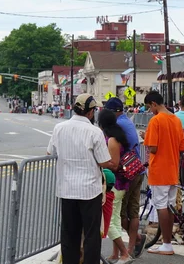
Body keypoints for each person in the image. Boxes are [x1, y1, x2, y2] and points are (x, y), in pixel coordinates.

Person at [47, 94, 118, 264]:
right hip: (89, 191)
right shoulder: (95, 132)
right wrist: (114, 165)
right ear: (91, 112)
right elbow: (103, 161)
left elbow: (50, 152)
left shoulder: (60, 128)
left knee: (69, 234)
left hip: (66, 189)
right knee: (91, 235)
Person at [141, 91, 184, 256]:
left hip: (159, 170)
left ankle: (166, 243)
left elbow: (153, 147)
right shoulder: (176, 120)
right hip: (173, 170)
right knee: (169, 206)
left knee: (161, 207)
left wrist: (146, 137)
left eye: (149, 107)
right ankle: (167, 242)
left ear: (154, 104)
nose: (150, 110)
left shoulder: (156, 121)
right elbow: (182, 148)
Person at [104, 97, 146, 258]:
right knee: (133, 211)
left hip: (125, 174)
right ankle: (128, 247)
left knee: (120, 214)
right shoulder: (126, 121)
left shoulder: (117, 126)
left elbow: (114, 157)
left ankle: (128, 247)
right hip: (136, 169)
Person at [97, 109, 133, 264]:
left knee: (109, 222)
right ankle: (115, 254)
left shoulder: (112, 140)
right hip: (121, 183)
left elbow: (115, 164)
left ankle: (125, 254)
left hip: (116, 184)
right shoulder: (116, 135)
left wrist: (100, 162)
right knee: (116, 218)